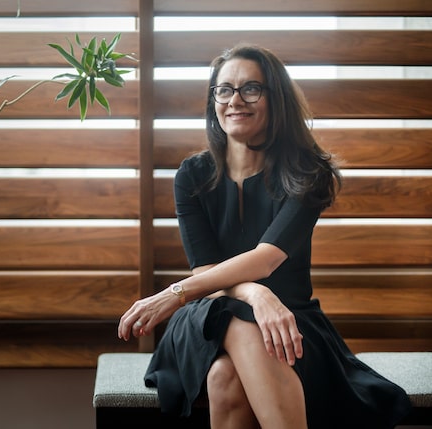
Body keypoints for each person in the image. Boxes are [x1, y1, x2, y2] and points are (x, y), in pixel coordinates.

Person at [118, 44, 412, 429]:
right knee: (240, 319)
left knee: (224, 378)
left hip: (289, 318)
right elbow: (206, 272)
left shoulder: (308, 173)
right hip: (208, 314)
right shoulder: (191, 175)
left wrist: (174, 294)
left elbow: (267, 257)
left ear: (276, 99)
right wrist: (255, 294)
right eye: (224, 90)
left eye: (251, 88)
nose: (235, 100)